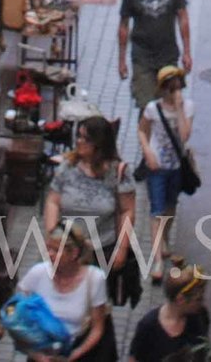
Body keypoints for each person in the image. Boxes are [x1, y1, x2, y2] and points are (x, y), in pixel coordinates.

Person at [40, 117, 138, 308]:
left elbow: (127, 210)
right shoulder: (67, 166)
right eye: (78, 136)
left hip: (101, 252)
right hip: (67, 252)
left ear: (100, 144)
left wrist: (122, 249)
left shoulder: (118, 172)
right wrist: (52, 235)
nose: (79, 142)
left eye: (86, 138)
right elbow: (53, 200)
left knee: (95, 306)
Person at [11, 229, 113, 362]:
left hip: (77, 352)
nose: (50, 254)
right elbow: (13, 313)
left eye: (56, 250)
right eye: (49, 249)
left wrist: (73, 356)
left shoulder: (94, 279)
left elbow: (97, 328)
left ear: (74, 253)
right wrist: (36, 354)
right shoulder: (38, 273)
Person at [117, 0, 191, 113]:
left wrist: (187, 51)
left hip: (167, 55)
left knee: (170, 104)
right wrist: (121, 60)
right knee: (147, 107)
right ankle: (145, 138)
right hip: (142, 57)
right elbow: (124, 25)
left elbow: (183, 18)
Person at [136, 66, 196, 264]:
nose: (174, 92)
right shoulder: (153, 109)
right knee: (156, 211)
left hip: (176, 165)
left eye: (177, 87)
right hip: (157, 166)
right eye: (170, 88)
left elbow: (185, 135)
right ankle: (157, 263)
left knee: (170, 207)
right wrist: (147, 152)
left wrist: (178, 108)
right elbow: (142, 131)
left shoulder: (187, 107)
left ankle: (164, 239)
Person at [125, 263, 210, 362]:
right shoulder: (148, 326)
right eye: (198, 299)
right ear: (181, 299)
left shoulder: (199, 316)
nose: (202, 302)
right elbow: (134, 359)